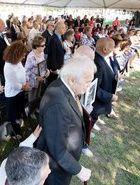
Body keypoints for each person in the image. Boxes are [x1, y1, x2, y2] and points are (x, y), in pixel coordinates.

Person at [36, 55, 95, 184]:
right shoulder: (58, 104)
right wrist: (79, 170)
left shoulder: (65, 85)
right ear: (72, 80)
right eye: (87, 82)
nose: (89, 86)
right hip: (55, 168)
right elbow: (58, 150)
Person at [3, 41, 31, 135]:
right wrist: (25, 88)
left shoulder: (17, 62)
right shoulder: (9, 67)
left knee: (19, 110)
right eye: (22, 55)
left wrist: (26, 81)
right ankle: (14, 133)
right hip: (13, 94)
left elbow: (23, 72)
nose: (23, 58)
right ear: (16, 54)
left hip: (20, 91)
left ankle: (19, 124)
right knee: (13, 115)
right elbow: (14, 84)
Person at [91, 37, 119, 126]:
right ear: (105, 49)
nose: (114, 49)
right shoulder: (97, 63)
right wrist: (110, 96)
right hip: (95, 105)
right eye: (113, 47)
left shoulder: (104, 58)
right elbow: (94, 88)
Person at [25, 36, 49, 104]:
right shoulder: (31, 56)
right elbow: (26, 71)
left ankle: (35, 108)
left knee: (38, 96)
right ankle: (30, 111)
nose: (44, 47)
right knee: (32, 98)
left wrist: (47, 71)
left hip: (41, 79)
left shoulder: (42, 53)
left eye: (45, 45)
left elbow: (43, 65)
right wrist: (36, 77)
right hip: (33, 81)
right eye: (42, 45)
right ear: (37, 46)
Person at [46, 21, 66, 86]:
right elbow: (52, 56)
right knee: (52, 85)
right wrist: (54, 69)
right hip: (54, 69)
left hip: (59, 66)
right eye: (63, 28)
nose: (64, 29)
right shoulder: (53, 39)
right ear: (57, 28)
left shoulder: (60, 37)